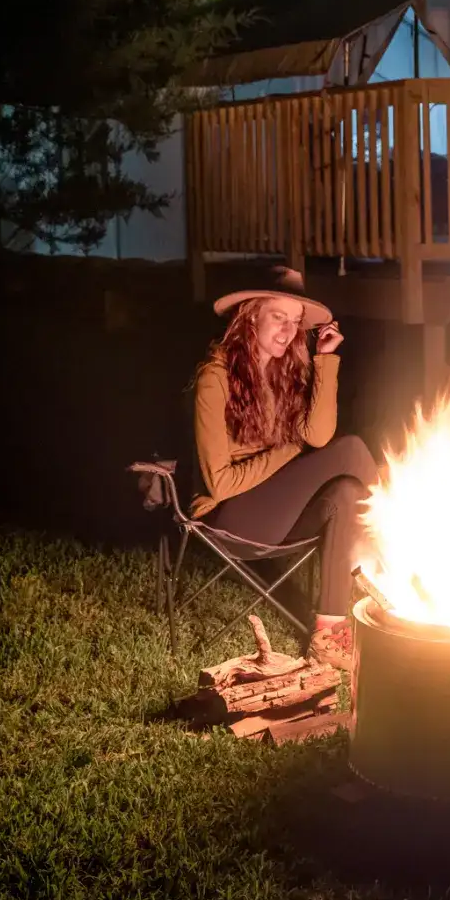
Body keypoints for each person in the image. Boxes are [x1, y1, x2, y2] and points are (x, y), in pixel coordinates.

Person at [185, 265, 376, 671]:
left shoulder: (285, 373)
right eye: (278, 317)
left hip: (275, 515)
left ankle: (328, 634)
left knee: (347, 493)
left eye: (295, 321)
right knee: (352, 450)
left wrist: (325, 359)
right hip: (230, 520)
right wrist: (290, 449)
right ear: (251, 316)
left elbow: (317, 436)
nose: (289, 331)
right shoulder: (214, 379)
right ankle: (398, 567)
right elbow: (219, 483)